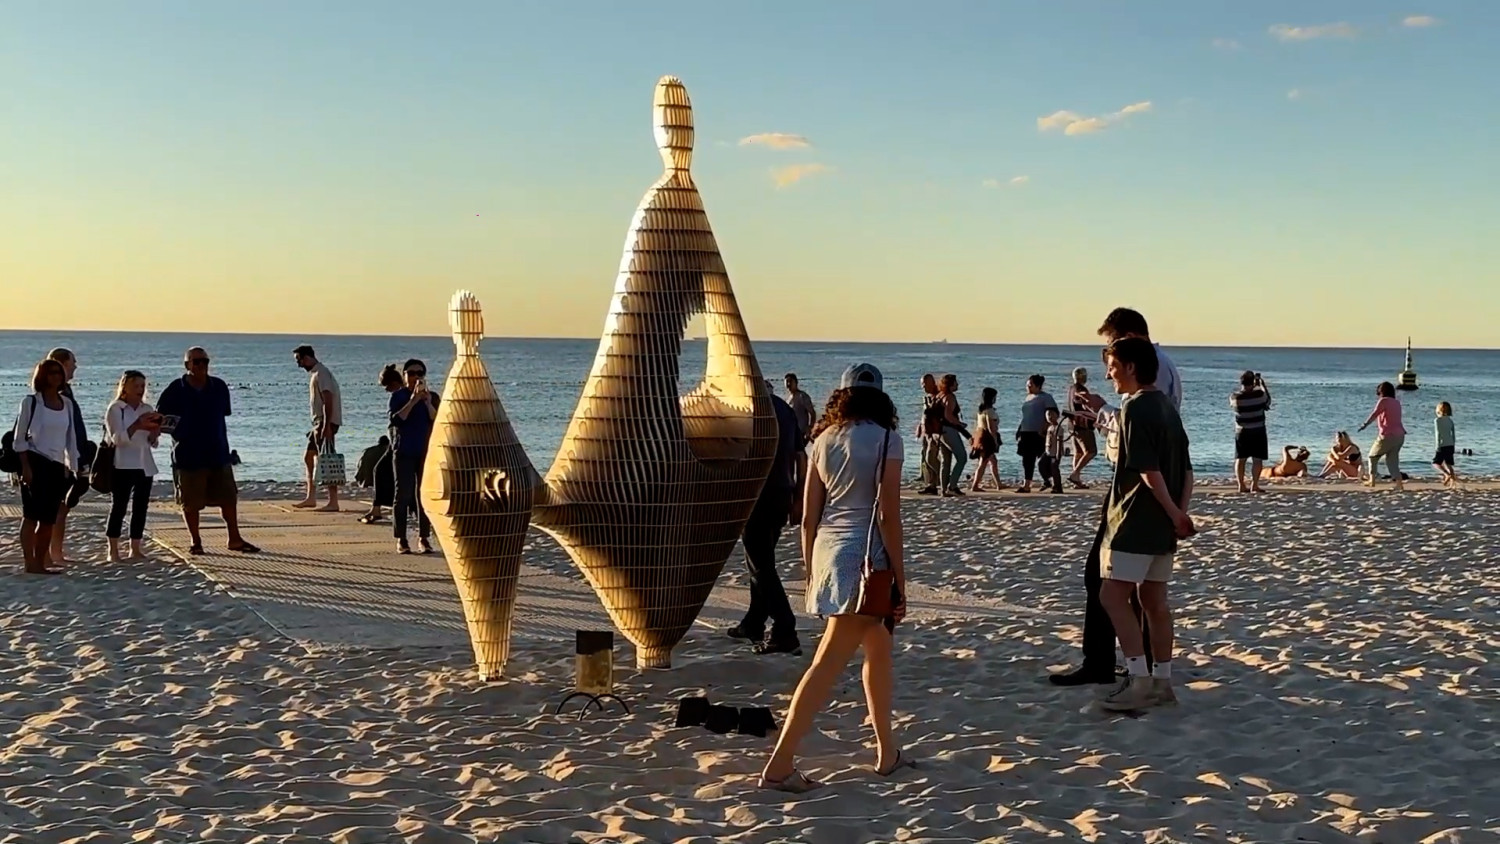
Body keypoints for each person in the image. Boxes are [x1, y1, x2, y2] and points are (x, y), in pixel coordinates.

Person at [759, 363, 909, 793]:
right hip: (865, 558)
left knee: (878, 648)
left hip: (829, 551)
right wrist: (900, 579)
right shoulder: (887, 439)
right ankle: (779, 765)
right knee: (826, 664)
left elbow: (808, 517)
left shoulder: (823, 439)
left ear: (842, 395)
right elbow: (888, 515)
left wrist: (811, 571)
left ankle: (887, 753)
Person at [1051, 307, 1181, 687]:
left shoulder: (1147, 387)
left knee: (1106, 580)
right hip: (1150, 487)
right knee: (1144, 590)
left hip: (1137, 490)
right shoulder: (1162, 376)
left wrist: (1104, 411)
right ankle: (1148, 671)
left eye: (1112, 349)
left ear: (1130, 341)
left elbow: (1141, 437)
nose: (1108, 366)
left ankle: (1115, 665)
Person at [1096, 337, 1194, 711]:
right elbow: (1187, 471)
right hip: (1162, 526)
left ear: (1131, 367)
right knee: (1153, 599)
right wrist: (1179, 514)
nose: (1109, 375)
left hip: (1135, 520)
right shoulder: (1168, 408)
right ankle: (1162, 683)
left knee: (1112, 596)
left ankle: (1139, 680)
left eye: (1113, 367)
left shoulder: (1135, 407)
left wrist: (1173, 513)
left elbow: (1148, 471)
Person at [157, 347, 259, 555]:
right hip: (188, 455)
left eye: (205, 361)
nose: (202, 365)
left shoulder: (218, 386)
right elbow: (160, 418)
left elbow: (224, 413)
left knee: (228, 498)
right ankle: (196, 541)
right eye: (197, 362)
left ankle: (234, 538)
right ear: (187, 365)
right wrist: (178, 432)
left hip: (217, 452)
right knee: (190, 502)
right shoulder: (176, 389)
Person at [728, 381, 802, 655]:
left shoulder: (746, 409)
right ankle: (754, 621)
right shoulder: (784, 409)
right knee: (763, 559)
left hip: (756, 494)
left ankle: (785, 627)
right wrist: (799, 494)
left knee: (760, 566)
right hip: (782, 493)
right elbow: (800, 456)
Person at [11, 359, 81, 575]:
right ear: (42, 376)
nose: (56, 376)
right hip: (35, 460)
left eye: (58, 372)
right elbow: (19, 438)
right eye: (51, 373)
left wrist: (72, 465)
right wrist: (25, 467)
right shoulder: (31, 402)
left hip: (57, 465)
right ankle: (30, 562)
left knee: (49, 518)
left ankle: (41, 562)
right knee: (31, 515)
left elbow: (71, 437)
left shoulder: (66, 403)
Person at [103, 370, 163, 562]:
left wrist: (155, 433)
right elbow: (117, 439)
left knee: (141, 507)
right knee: (119, 507)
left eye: (142, 386)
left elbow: (151, 442)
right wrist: (137, 425)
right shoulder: (116, 409)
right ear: (125, 387)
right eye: (136, 386)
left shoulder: (147, 409)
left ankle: (135, 548)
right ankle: (113, 550)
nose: (140, 389)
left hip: (144, 463)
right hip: (123, 463)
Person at [45, 348, 93, 565]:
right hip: (60, 458)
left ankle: (56, 551)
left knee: (62, 507)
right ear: (62, 364)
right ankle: (50, 553)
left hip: (72, 455)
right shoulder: (56, 395)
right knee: (55, 509)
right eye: (73, 362)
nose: (75, 366)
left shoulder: (66, 391)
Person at [389, 358, 438, 554]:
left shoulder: (432, 397)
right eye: (411, 373)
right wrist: (414, 400)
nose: (415, 377)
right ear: (404, 376)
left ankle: (424, 537)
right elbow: (397, 419)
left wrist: (427, 402)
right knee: (403, 494)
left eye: (420, 373)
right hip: (404, 450)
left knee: (424, 495)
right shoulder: (398, 396)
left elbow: (437, 420)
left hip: (426, 452)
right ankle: (401, 538)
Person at [293, 345, 343, 511]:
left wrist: (326, 425)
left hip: (324, 423)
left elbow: (328, 399)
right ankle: (311, 497)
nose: (299, 364)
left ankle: (333, 501)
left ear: (307, 357)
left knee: (327, 459)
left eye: (299, 360)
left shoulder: (321, 373)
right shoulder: (317, 373)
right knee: (309, 457)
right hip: (318, 423)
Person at [356, 365, 403, 524]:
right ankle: (376, 508)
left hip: (399, 441)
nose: (386, 390)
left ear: (394, 382)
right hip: (395, 441)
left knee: (382, 471)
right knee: (381, 471)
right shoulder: (401, 395)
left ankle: (378, 509)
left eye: (387, 386)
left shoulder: (399, 396)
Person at [1359, 382, 1406, 491]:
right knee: (1392, 460)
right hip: (1400, 435)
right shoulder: (1397, 402)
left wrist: (1365, 424)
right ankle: (1399, 483)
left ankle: (1372, 480)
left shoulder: (1383, 401)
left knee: (1372, 456)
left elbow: (1375, 414)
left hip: (1387, 434)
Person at [1230, 371, 1271, 493]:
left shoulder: (1235, 397)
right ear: (1253, 382)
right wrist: (1262, 385)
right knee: (1257, 459)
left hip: (1242, 431)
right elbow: (1268, 402)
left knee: (1240, 459)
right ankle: (1255, 484)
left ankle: (1241, 485)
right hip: (1258, 430)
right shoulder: (1259, 395)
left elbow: (1234, 407)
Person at [1015, 374, 1057, 493]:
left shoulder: (1046, 398)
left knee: (1044, 459)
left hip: (1039, 433)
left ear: (1038, 386)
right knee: (1027, 460)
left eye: (1030, 385)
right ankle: (1027, 485)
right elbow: (1025, 416)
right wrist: (1019, 430)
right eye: (1027, 385)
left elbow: (1053, 414)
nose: (1027, 387)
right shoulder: (1028, 398)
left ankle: (1050, 481)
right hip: (1026, 432)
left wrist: (1045, 427)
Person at [784, 373, 817, 522]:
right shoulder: (789, 399)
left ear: (796, 382)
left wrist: (810, 429)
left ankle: (801, 494)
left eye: (790, 382)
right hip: (791, 435)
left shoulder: (802, 396)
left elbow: (812, 413)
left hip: (801, 435)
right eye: (786, 382)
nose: (788, 385)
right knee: (790, 464)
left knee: (801, 463)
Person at [935, 374, 968, 496]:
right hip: (949, 430)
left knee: (946, 460)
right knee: (962, 458)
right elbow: (948, 415)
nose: (957, 384)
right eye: (955, 382)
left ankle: (944, 489)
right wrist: (960, 423)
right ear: (950, 385)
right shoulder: (950, 397)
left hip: (939, 431)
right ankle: (952, 486)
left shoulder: (939, 395)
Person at [1065, 367, 1097, 489]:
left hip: (1072, 425)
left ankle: (1076, 480)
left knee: (1078, 453)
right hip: (1082, 425)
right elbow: (1086, 405)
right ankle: (1075, 474)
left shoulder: (1071, 389)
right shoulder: (1081, 390)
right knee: (1091, 451)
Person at [968, 387, 1005, 492]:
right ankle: (975, 485)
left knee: (993, 461)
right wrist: (995, 441)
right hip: (987, 439)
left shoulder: (981, 411)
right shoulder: (990, 411)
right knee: (983, 463)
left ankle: (998, 484)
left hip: (980, 437)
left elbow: (978, 426)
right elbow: (991, 428)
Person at [916, 374, 943, 495]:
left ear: (932, 383)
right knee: (925, 457)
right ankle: (931, 484)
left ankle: (939, 480)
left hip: (933, 432)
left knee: (931, 458)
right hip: (926, 431)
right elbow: (925, 415)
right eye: (922, 385)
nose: (923, 387)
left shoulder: (938, 397)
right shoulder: (927, 397)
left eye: (925, 384)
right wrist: (920, 426)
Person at [1040, 407, 1067, 494]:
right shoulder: (1049, 427)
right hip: (1048, 451)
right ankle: (1047, 481)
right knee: (1041, 464)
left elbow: (1059, 441)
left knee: (1055, 469)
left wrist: (1058, 454)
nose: (1050, 417)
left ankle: (1058, 487)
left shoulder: (1059, 428)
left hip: (1055, 452)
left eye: (1052, 415)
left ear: (1057, 416)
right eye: (1048, 415)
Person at [1434, 402, 1458, 487]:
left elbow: (1438, 434)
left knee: (1436, 463)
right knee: (1448, 464)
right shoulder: (1450, 421)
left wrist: (1437, 445)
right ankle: (1453, 483)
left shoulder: (1437, 420)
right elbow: (1453, 434)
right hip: (1450, 444)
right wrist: (1453, 444)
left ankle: (1447, 474)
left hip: (1442, 444)